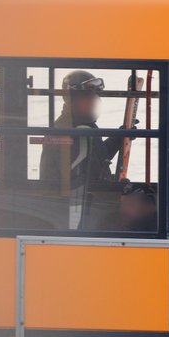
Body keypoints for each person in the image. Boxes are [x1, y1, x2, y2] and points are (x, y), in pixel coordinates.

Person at [39, 70, 122, 229]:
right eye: (87, 96)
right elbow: (90, 178)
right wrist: (116, 189)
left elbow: (96, 155)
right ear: (71, 100)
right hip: (76, 217)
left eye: (94, 96)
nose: (93, 101)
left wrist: (119, 137)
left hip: (81, 210)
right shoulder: (69, 133)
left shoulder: (83, 126)